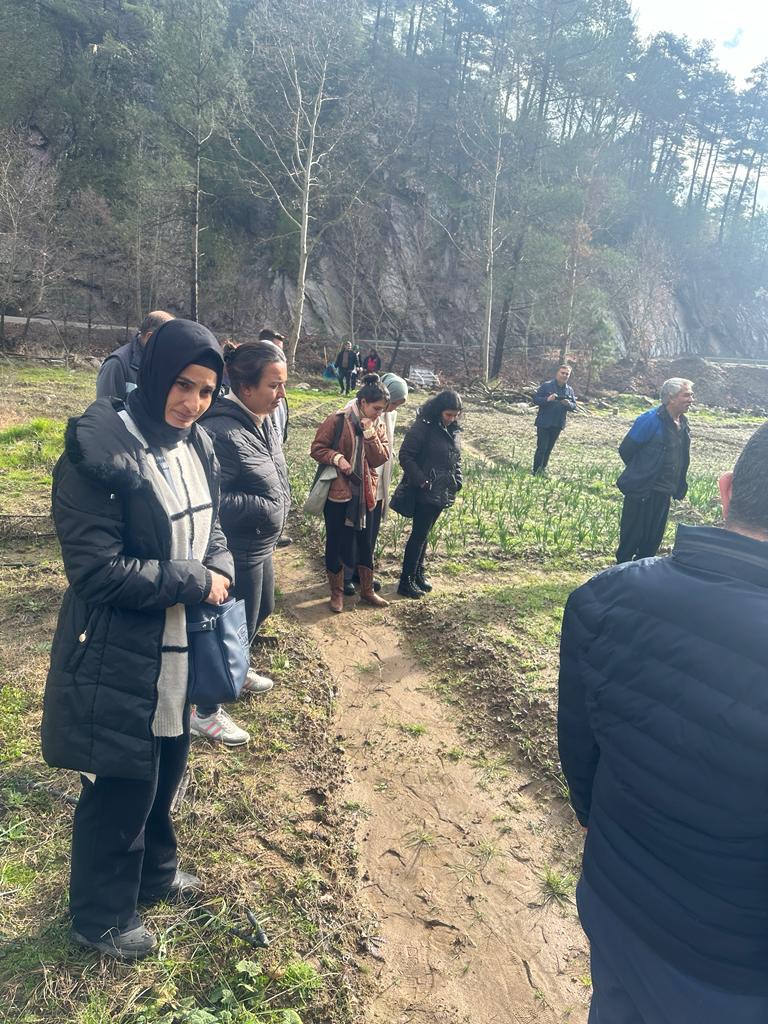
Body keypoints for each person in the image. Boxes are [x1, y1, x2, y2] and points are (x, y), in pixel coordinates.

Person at [557, 422, 768, 1023]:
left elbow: (581, 754)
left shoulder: (604, 597)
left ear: (725, 490)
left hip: (616, 900)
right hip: (733, 969)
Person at [41, 319, 233, 961]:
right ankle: (100, 917)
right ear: (152, 375)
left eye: (206, 391)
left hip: (176, 643)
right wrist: (194, 579)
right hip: (116, 649)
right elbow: (96, 571)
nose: (193, 402)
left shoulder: (195, 444)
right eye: (182, 385)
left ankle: (154, 873)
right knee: (121, 783)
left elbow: (211, 526)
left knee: (167, 763)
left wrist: (221, 566)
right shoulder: (101, 454)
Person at [310, 374, 390, 612]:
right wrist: (337, 458)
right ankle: (336, 593)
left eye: (382, 410)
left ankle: (367, 591)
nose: (379, 414)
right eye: (376, 408)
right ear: (363, 402)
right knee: (335, 541)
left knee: (365, 543)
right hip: (337, 492)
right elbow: (317, 448)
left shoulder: (377, 425)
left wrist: (370, 434)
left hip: (366, 492)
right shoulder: (337, 420)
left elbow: (380, 459)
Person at [343, 372, 409, 596]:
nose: (393, 408)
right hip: (359, 480)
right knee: (352, 528)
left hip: (379, 480)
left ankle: (362, 572)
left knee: (370, 530)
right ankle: (345, 574)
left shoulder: (389, 414)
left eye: (398, 405)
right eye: (394, 403)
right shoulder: (354, 411)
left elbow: (386, 449)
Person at [615, 377, 693, 563]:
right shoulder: (650, 420)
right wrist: (642, 471)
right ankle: (621, 574)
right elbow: (626, 450)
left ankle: (641, 575)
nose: (691, 399)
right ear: (671, 397)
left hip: (664, 492)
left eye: (691, 395)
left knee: (651, 543)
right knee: (630, 541)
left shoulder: (682, 423)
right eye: (686, 395)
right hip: (642, 490)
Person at [396, 390, 462, 598]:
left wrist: (458, 480)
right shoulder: (423, 427)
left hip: (443, 490)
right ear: (438, 410)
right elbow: (405, 456)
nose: (452, 419)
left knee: (425, 534)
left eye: (455, 415)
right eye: (448, 414)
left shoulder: (452, 430)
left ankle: (418, 574)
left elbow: (456, 458)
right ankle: (406, 581)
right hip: (424, 490)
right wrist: (423, 481)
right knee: (418, 535)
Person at [96, 310, 174, 400]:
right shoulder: (115, 365)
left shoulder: (166, 362)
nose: (172, 345)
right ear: (150, 337)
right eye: (168, 339)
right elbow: (106, 406)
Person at [531, 364, 577, 474]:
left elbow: (574, 406)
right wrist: (547, 399)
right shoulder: (546, 386)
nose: (564, 375)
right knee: (542, 447)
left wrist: (568, 404)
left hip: (557, 423)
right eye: (562, 373)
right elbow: (536, 399)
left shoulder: (569, 390)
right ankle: (536, 470)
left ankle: (543, 469)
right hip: (544, 422)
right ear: (557, 373)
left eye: (567, 374)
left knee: (549, 448)